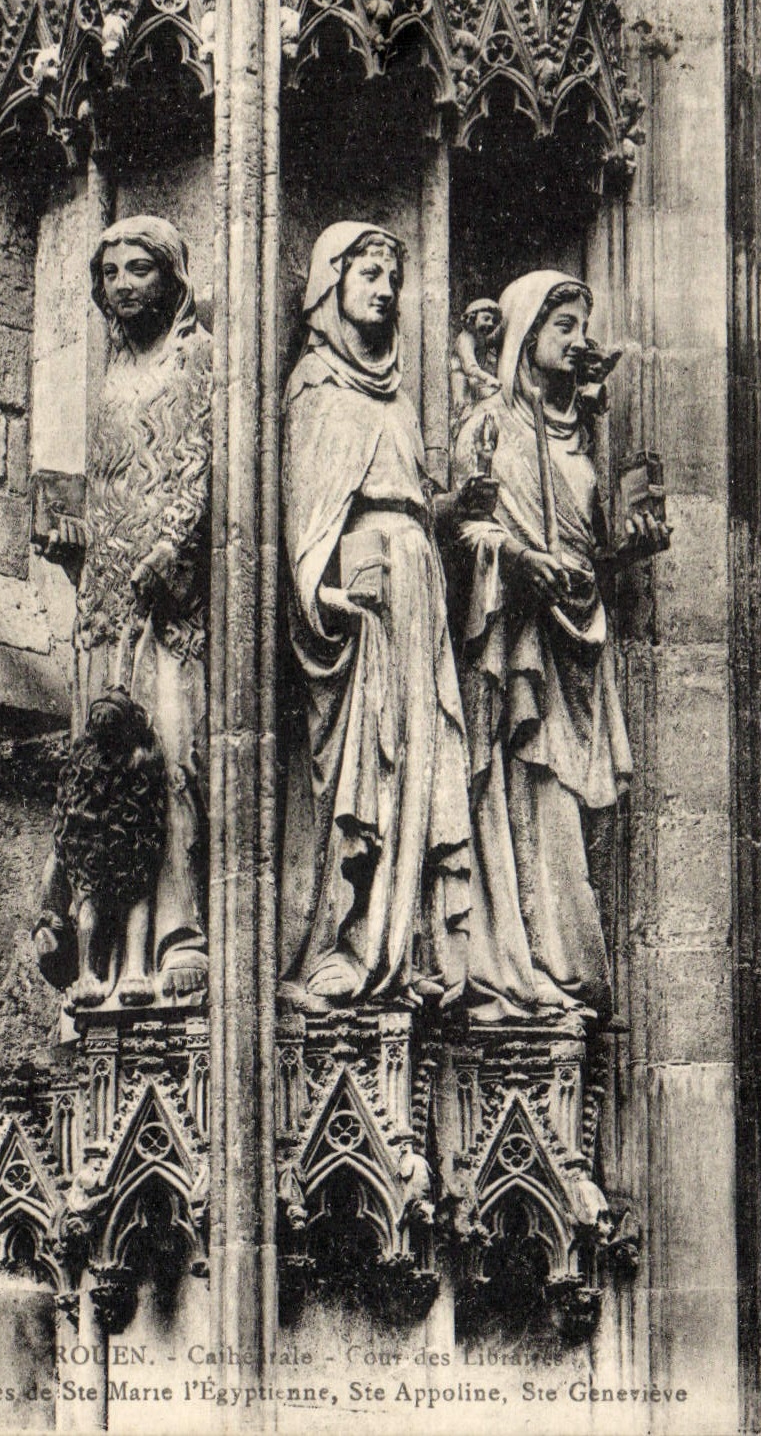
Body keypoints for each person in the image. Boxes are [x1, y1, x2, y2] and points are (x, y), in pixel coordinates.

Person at [450, 271, 669, 1021]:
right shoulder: (488, 426)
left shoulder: (583, 440)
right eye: (564, 325)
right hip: (513, 643)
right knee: (518, 793)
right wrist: (515, 558)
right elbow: (462, 523)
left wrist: (627, 546)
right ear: (526, 334)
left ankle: (563, 964)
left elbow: (589, 547)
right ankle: (515, 960)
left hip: (573, 642)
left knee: (566, 809)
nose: (580, 340)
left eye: (584, 326)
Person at [279, 222, 472, 1012]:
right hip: (360, 610)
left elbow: (412, 501)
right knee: (356, 777)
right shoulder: (317, 386)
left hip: (414, 596)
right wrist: (319, 592)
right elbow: (306, 514)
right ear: (331, 286)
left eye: (394, 275)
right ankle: (335, 943)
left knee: (417, 773)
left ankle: (404, 945)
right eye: (369, 273)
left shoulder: (397, 398)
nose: (386, 289)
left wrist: (460, 510)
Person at [34, 216, 211, 1008]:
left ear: (171, 276)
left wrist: (175, 545)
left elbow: (205, 464)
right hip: (108, 602)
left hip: (172, 601)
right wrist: (76, 539)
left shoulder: (195, 357)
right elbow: (110, 483)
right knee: (101, 774)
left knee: (168, 759)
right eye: (109, 274)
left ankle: (178, 929)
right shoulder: (108, 371)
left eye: (139, 269)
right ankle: (94, 945)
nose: (122, 286)